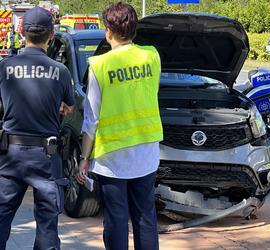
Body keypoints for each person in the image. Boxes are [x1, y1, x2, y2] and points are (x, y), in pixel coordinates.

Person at [76, 2, 163, 250]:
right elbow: (152, 93)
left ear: (108, 31)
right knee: (145, 217)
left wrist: (84, 157)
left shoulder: (100, 64)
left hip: (112, 159)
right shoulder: (151, 56)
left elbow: (91, 119)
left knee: (116, 219)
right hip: (146, 153)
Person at [0, 6, 74, 250]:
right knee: (47, 226)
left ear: (22, 32)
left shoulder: (4, 68)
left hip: (10, 155)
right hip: (46, 156)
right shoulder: (61, 72)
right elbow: (69, 107)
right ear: (51, 34)